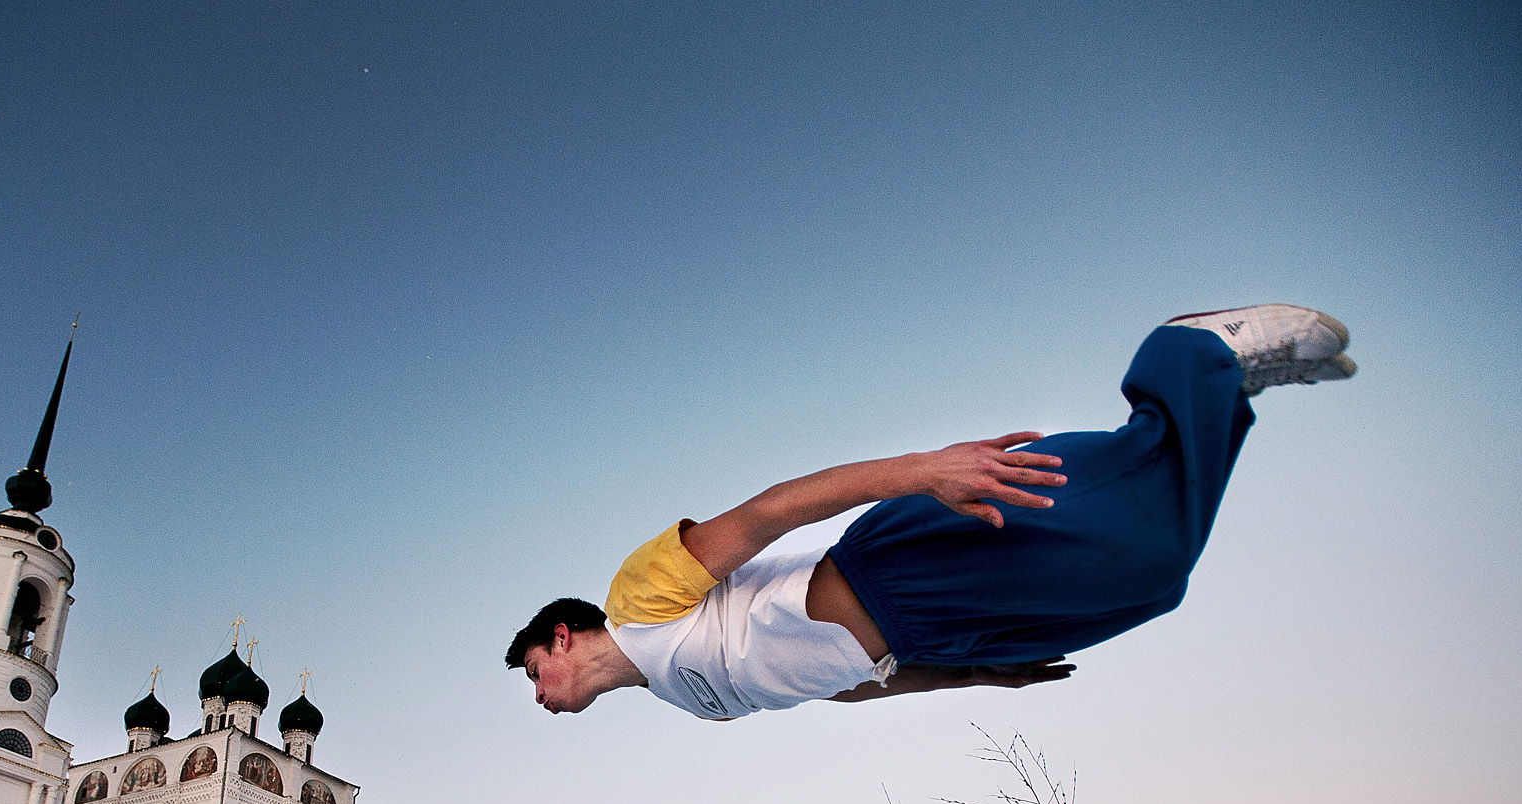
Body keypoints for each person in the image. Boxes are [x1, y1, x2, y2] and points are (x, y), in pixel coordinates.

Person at [505, 304, 1355, 720]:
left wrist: (926, 471)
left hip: (899, 566)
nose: (540, 700)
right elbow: (839, 687)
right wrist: (975, 674)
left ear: (562, 638)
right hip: (935, 634)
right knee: (1154, 585)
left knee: (1136, 543)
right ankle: (1225, 388)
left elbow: (770, 514)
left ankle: (1189, 349)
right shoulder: (685, 699)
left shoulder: (635, 597)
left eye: (533, 675)